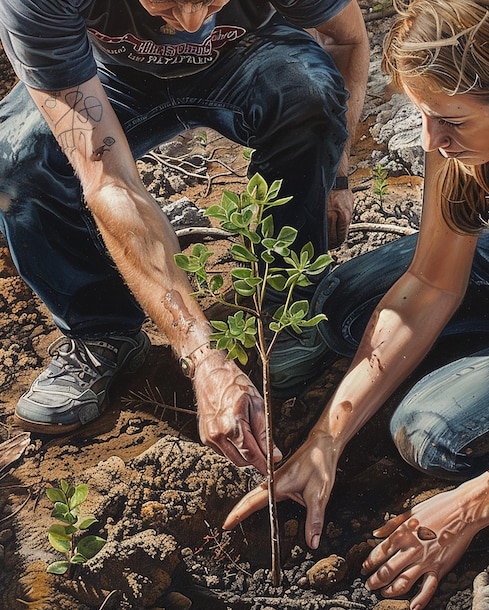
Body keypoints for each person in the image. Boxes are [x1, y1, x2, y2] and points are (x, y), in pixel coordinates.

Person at [224, 0, 489, 610]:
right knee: (345, 303)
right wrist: (326, 438)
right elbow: (432, 285)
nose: (433, 140)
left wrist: (473, 503)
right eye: (424, 115)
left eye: (451, 122)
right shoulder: (470, 115)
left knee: (429, 431)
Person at [0, 0, 369, 472]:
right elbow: (109, 180)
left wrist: (337, 169)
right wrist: (203, 355)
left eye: (211, 0)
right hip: (103, 70)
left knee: (310, 99)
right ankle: (102, 331)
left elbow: (347, 38)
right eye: (169, 1)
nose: (193, 23)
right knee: (18, 163)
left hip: (250, 52)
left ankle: (284, 298)